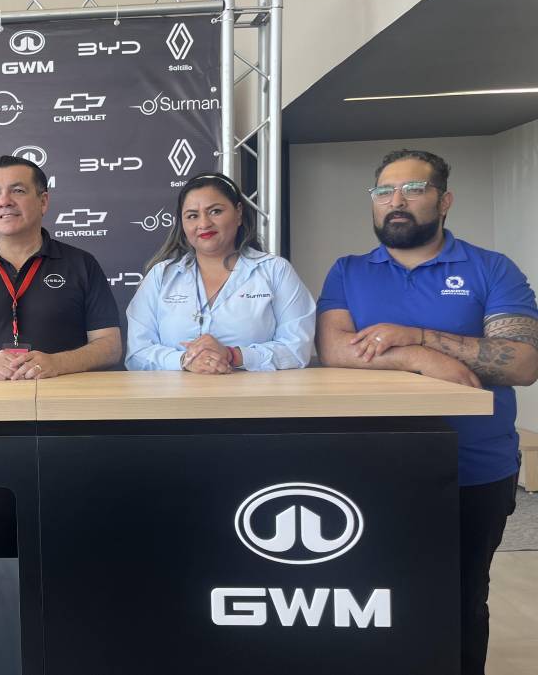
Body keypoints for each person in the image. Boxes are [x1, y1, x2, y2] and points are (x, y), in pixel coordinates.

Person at [315, 149, 538, 675]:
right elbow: (335, 350)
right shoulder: (348, 271)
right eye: (383, 191)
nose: (395, 201)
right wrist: (420, 358)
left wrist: (414, 335)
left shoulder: (491, 268)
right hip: (367, 467)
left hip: (474, 467)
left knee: (461, 599)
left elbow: (521, 362)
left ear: (444, 200)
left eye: (413, 189)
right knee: (371, 599)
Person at [0, 154, 120, 380]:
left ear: (43, 201)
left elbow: (110, 346)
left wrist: (58, 363)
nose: (4, 201)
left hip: (62, 396)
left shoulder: (82, 264)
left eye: (17, 191)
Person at [125, 172, 315, 373]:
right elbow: (137, 353)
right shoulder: (161, 275)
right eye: (192, 216)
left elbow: (297, 348)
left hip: (255, 393)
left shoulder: (275, 270)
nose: (204, 224)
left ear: (238, 213)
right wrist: (185, 360)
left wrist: (233, 355)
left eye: (215, 211)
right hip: (175, 393)